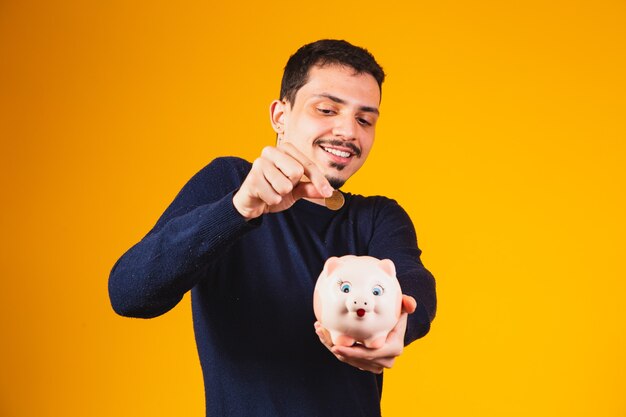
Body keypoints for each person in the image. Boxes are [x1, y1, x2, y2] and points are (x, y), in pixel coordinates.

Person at [109, 39, 437, 417]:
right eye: (327, 109)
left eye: (365, 119)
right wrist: (238, 210)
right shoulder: (228, 183)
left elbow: (413, 280)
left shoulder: (378, 216)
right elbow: (130, 293)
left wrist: (399, 323)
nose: (348, 131)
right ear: (280, 116)